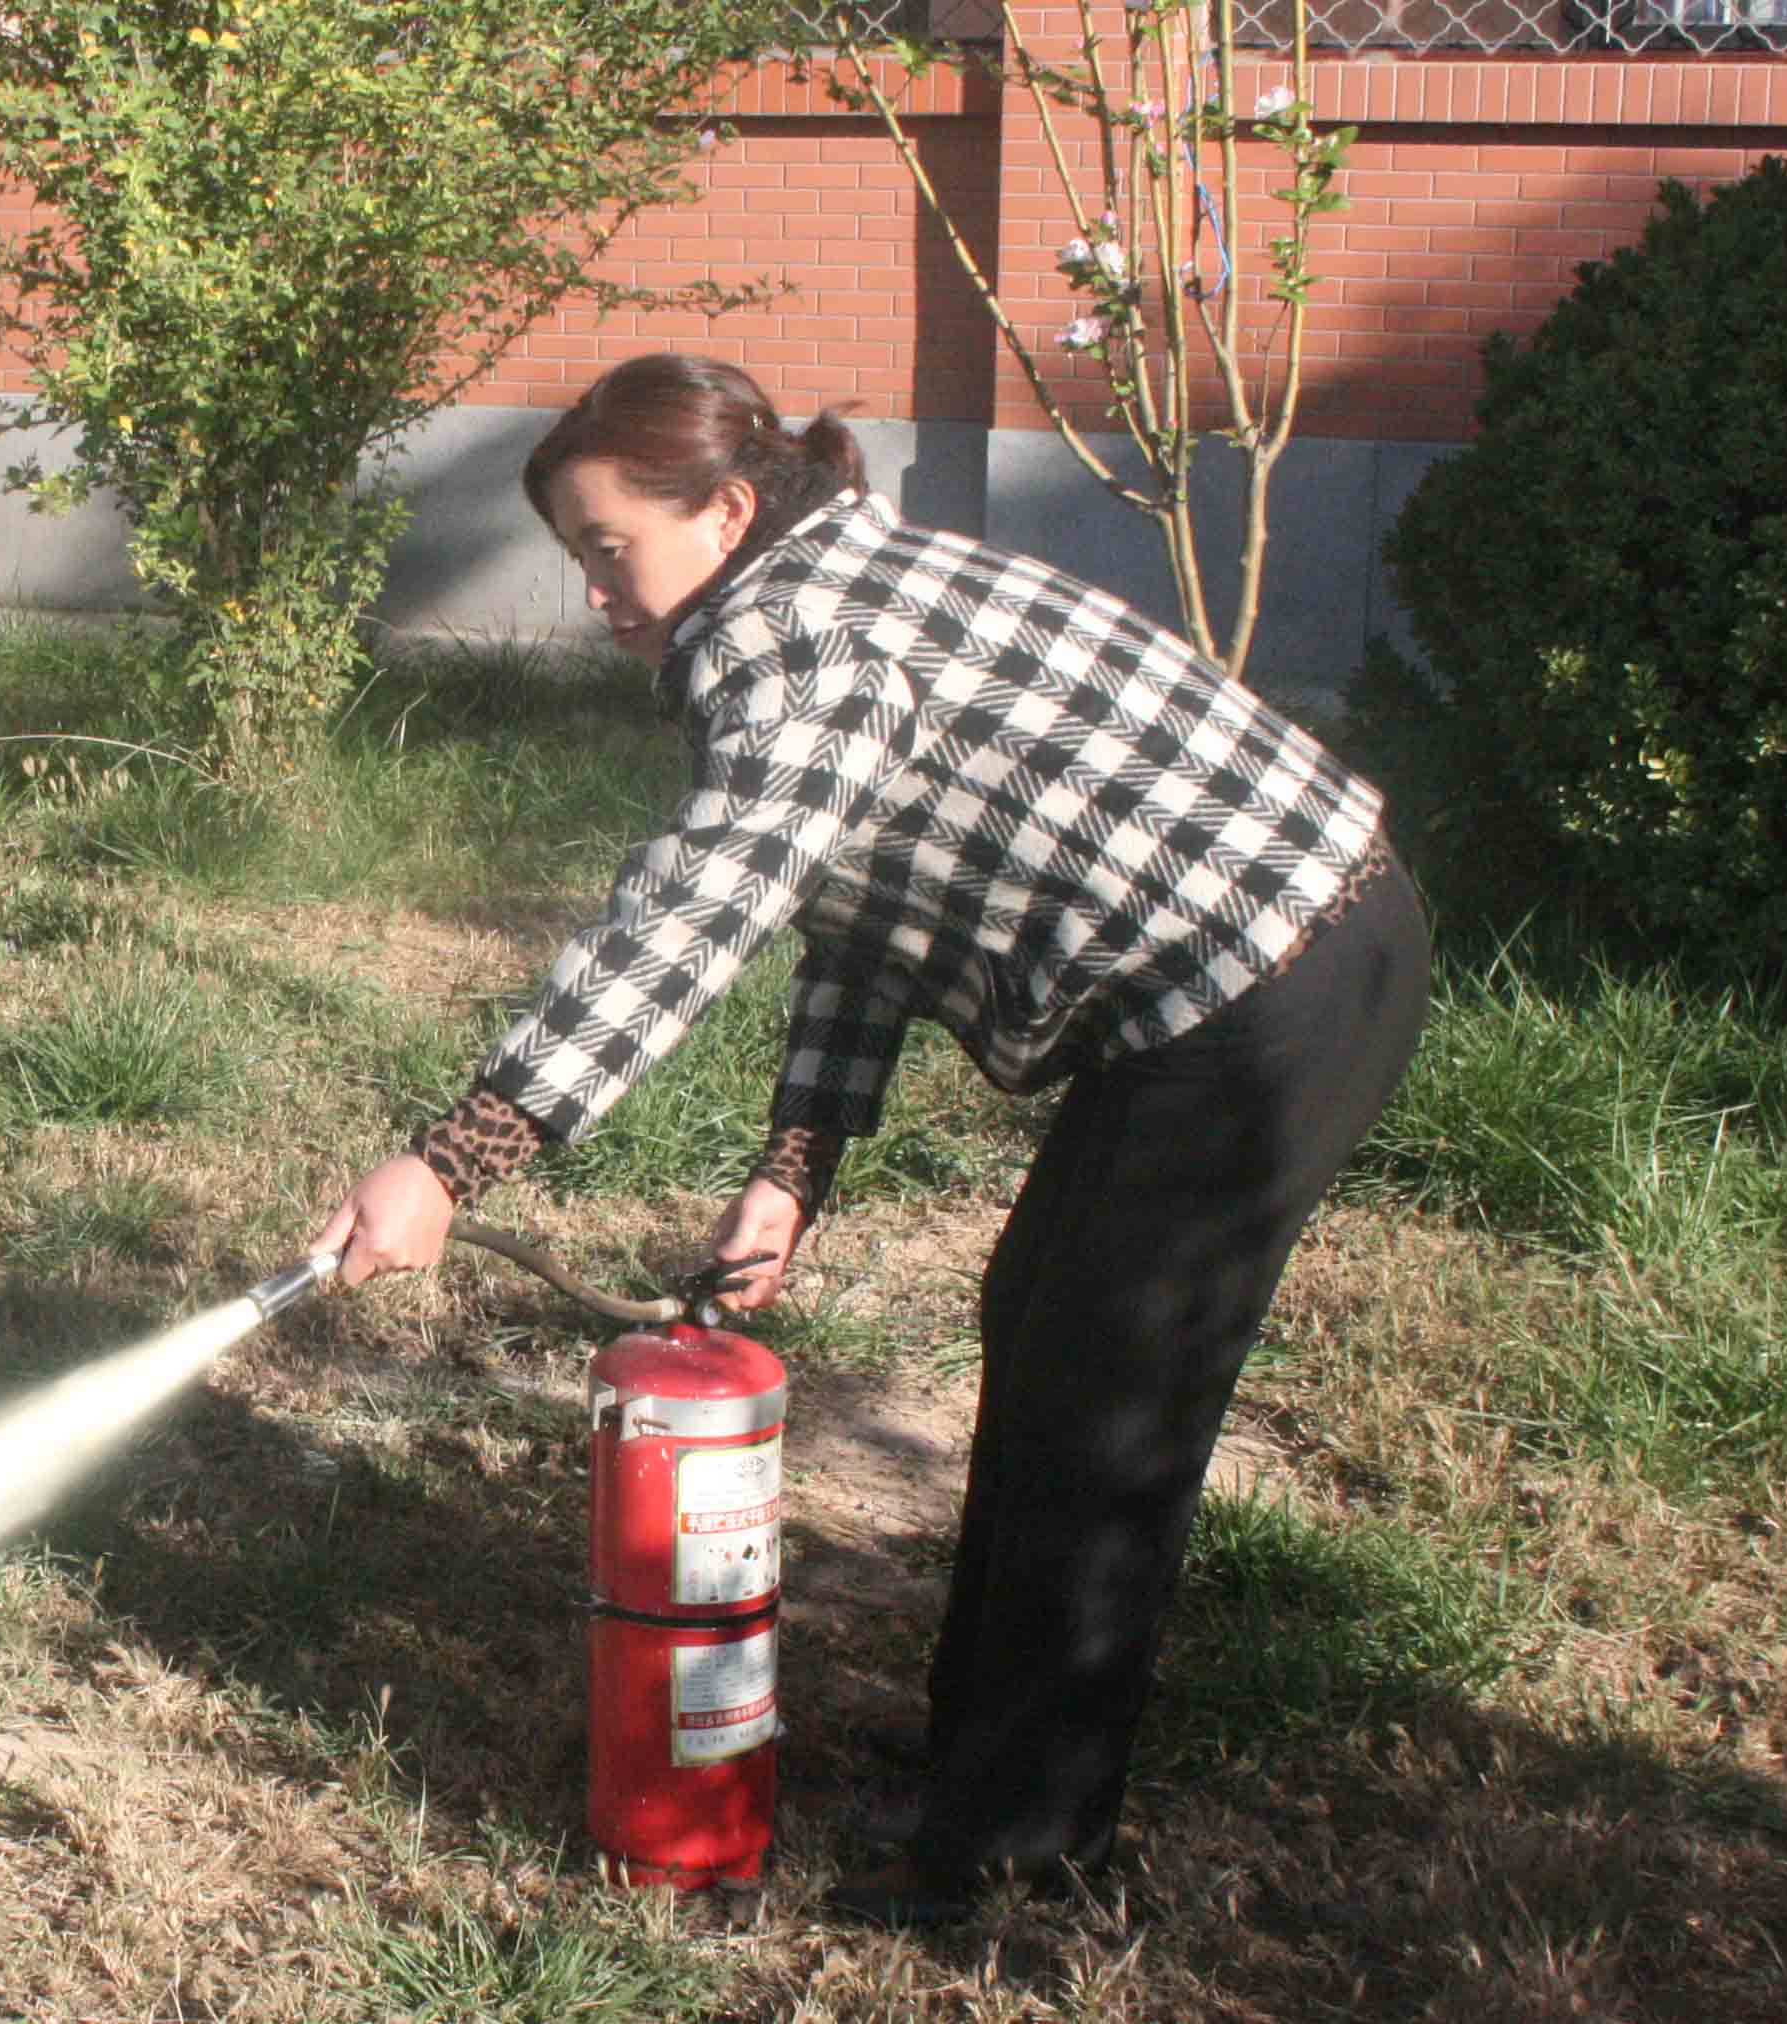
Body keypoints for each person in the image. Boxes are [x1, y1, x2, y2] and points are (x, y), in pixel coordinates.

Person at [305, 352, 1432, 1929]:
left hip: (1271, 987)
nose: (596, 599)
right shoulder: (816, 576)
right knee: (1039, 1342)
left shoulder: (798, 640)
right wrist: (797, 1161)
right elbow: (865, 907)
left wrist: (455, 1158)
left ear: (728, 510)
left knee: (1102, 1416)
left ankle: (1014, 1873)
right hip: (1237, 980)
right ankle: (987, 1767)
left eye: (612, 551)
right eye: (578, 560)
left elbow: (693, 917)